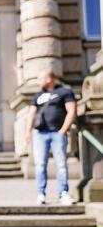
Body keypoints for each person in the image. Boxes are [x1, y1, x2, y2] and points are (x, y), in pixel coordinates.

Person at [25, 69, 77, 206]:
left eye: (40, 78)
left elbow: (72, 111)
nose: (38, 82)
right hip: (40, 134)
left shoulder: (64, 92)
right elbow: (31, 114)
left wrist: (63, 130)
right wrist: (27, 132)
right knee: (40, 165)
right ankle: (41, 194)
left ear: (49, 79)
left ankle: (63, 193)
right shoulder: (38, 95)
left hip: (57, 133)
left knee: (61, 164)